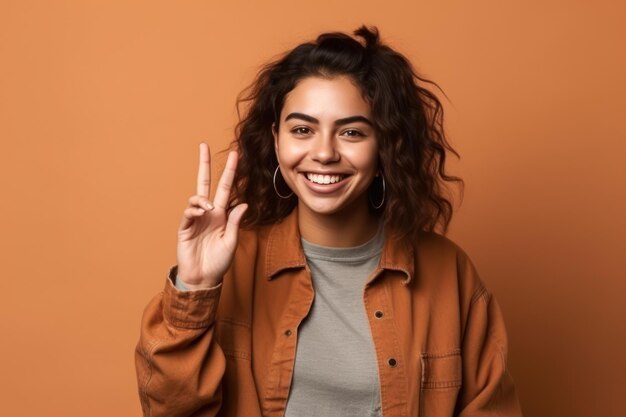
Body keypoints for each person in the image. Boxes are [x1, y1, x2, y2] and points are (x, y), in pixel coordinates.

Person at [135, 26, 523, 417]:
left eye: (351, 132)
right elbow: (170, 410)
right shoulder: (234, 264)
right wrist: (195, 289)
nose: (323, 153)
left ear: (385, 145)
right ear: (275, 139)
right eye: (302, 130)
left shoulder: (448, 273)